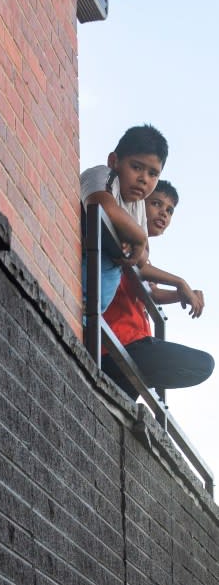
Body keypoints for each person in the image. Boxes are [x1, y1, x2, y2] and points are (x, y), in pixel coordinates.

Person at [99, 181, 214, 400]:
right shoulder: (127, 230)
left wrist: (180, 295)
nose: (164, 213)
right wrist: (181, 283)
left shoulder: (144, 254)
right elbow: (142, 270)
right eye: (156, 204)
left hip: (132, 345)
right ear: (140, 204)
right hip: (124, 340)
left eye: (169, 210)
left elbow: (152, 292)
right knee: (203, 364)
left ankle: (135, 381)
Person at [80, 124, 167, 312]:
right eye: (136, 167)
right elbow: (102, 205)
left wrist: (136, 241)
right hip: (74, 289)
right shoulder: (103, 175)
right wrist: (138, 237)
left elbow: (143, 256)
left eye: (153, 174)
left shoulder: (138, 206)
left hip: (94, 310)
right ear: (114, 161)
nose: (144, 178)